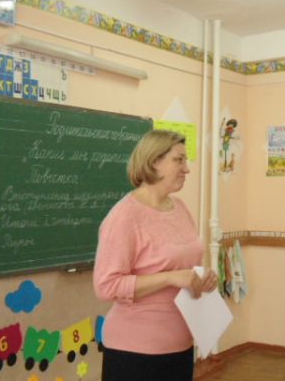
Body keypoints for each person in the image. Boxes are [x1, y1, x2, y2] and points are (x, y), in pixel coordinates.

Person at [93, 129, 218, 381]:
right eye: (178, 160)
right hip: (135, 351)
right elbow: (106, 286)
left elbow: (188, 265)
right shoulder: (124, 216)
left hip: (181, 344)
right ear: (153, 162)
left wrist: (204, 278)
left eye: (185, 160)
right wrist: (170, 277)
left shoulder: (180, 208)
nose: (186, 169)